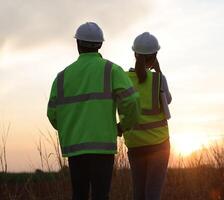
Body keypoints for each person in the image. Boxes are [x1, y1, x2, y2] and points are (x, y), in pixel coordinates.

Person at [47, 22, 140, 200]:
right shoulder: (111, 70)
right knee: (100, 195)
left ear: (77, 44)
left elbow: (52, 113)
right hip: (102, 147)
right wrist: (123, 126)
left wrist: (70, 128)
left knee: (79, 195)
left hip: (75, 149)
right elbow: (132, 100)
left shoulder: (62, 77)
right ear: (100, 45)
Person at [123, 32, 172, 200]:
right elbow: (168, 100)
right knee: (152, 195)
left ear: (135, 54)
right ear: (155, 56)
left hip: (135, 143)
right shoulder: (159, 79)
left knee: (139, 194)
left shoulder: (123, 78)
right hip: (159, 144)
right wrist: (158, 71)